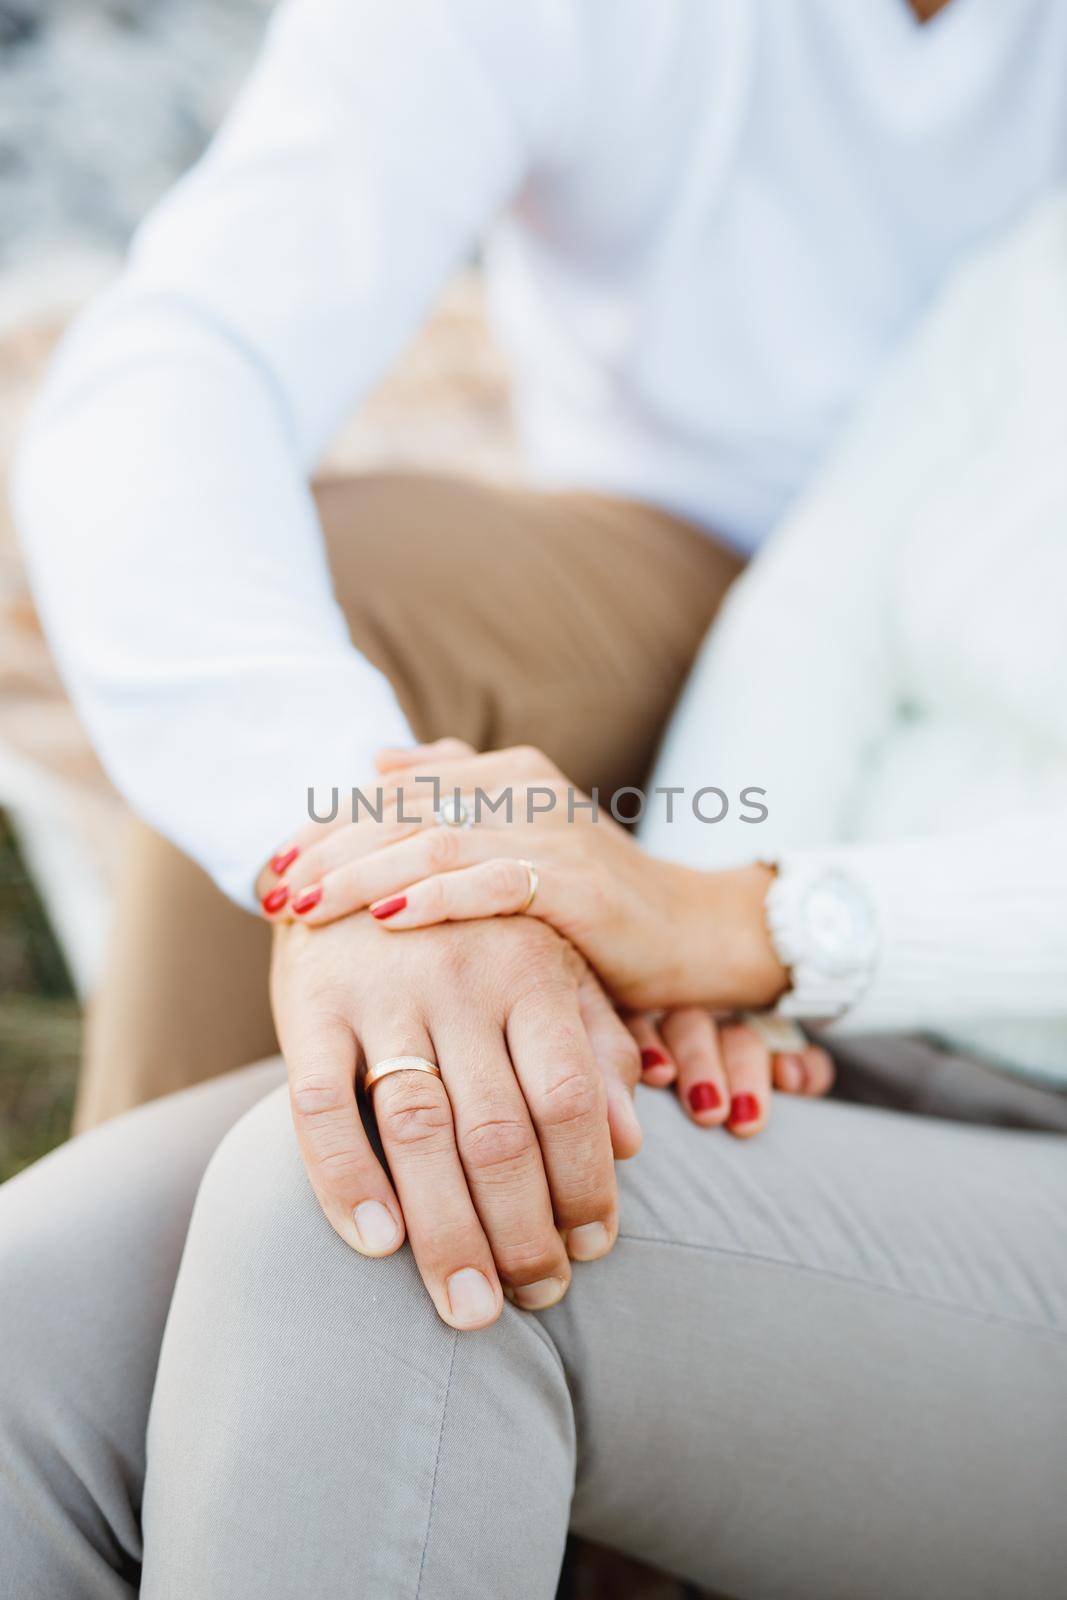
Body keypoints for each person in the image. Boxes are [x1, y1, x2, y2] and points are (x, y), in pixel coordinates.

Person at [3, 187, 1067, 1600]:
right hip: (833, 1049)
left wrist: (770, 928)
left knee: (397, 1220)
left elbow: (766, 914)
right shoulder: (1025, 266)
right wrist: (682, 959)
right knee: (38, 1298)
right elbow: (807, 634)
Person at [13, 0, 1067, 1144]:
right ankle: (162, 1247)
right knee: (341, 611)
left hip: (999, 596)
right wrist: (356, 840)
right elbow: (183, 360)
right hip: (671, 555)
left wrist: (728, 923)